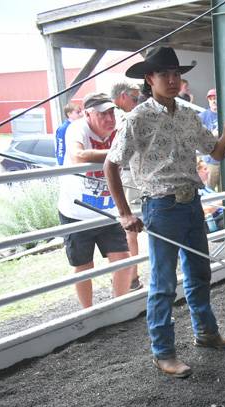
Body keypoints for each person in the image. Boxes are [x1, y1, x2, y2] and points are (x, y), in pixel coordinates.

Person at [105, 46, 225, 378]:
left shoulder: (187, 113)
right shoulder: (137, 118)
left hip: (191, 203)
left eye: (176, 74)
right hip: (161, 206)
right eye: (164, 74)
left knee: (199, 274)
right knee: (164, 283)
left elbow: (215, 152)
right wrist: (125, 213)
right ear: (149, 79)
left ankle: (206, 333)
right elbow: (111, 165)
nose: (172, 79)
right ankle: (163, 352)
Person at [56, 92, 131, 308]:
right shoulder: (77, 128)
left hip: (108, 211)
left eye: (111, 113)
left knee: (123, 260)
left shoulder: (119, 129)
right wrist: (118, 152)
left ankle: (120, 307)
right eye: (102, 114)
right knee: (83, 266)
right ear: (88, 114)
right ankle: (87, 313)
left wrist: (120, 151)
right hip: (76, 212)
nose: (109, 119)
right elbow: (78, 155)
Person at [110, 81, 143, 291]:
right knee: (130, 228)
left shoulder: (120, 115)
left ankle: (131, 276)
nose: (137, 102)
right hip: (128, 175)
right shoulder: (120, 116)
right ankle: (132, 276)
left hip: (130, 175)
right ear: (122, 97)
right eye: (134, 98)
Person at [199, 88, 221, 190]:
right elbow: (196, 136)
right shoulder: (202, 116)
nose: (214, 101)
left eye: (215, 98)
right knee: (209, 191)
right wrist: (213, 134)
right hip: (210, 161)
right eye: (211, 98)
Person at [197, 159, 223, 233]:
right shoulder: (197, 191)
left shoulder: (205, 188)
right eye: (205, 169)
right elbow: (204, 211)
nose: (208, 171)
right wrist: (224, 201)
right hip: (216, 221)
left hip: (224, 215)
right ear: (197, 172)